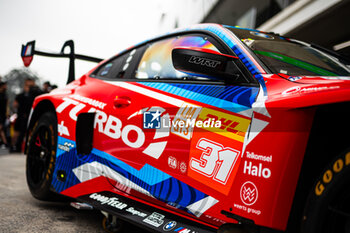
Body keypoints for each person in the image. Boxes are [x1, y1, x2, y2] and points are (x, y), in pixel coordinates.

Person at [11, 78, 42, 153]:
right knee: (19, 132)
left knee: (30, 132)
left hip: (31, 116)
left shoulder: (35, 94)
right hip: (22, 116)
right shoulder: (21, 95)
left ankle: (24, 147)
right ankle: (14, 146)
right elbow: (15, 104)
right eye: (28, 85)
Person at [0, 81, 8, 149]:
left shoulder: (5, 95)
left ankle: (5, 143)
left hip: (3, 115)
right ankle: (5, 143)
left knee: (2, 129)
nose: (6, 87)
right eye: (5, 85)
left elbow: (6, 106)